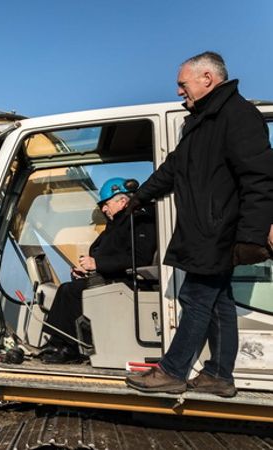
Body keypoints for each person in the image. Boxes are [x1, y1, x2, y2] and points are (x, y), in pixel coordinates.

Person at [125, 52, 273, 397]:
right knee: (218, 300)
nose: (179, 91)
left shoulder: (237, 115)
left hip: (218, 229)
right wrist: (139, 197)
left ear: (207, 78)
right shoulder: (201, 121)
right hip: (205, 227)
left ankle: (172, 370)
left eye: (182, 83)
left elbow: (260, 178)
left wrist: (251, 234)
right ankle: (219, 376)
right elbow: (174, 168)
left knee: (195, 295)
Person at [40, 177, 157, 364]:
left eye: (105, 204)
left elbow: (139, 258)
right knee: (70, 288)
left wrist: (97, 264)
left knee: (69, 292)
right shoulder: (114, 226)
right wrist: (86, 270)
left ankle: (67, 347)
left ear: (122, 200)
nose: (103, 210)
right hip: (109, 278)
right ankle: (62, 343)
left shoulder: (140, 221)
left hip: (126, 282)